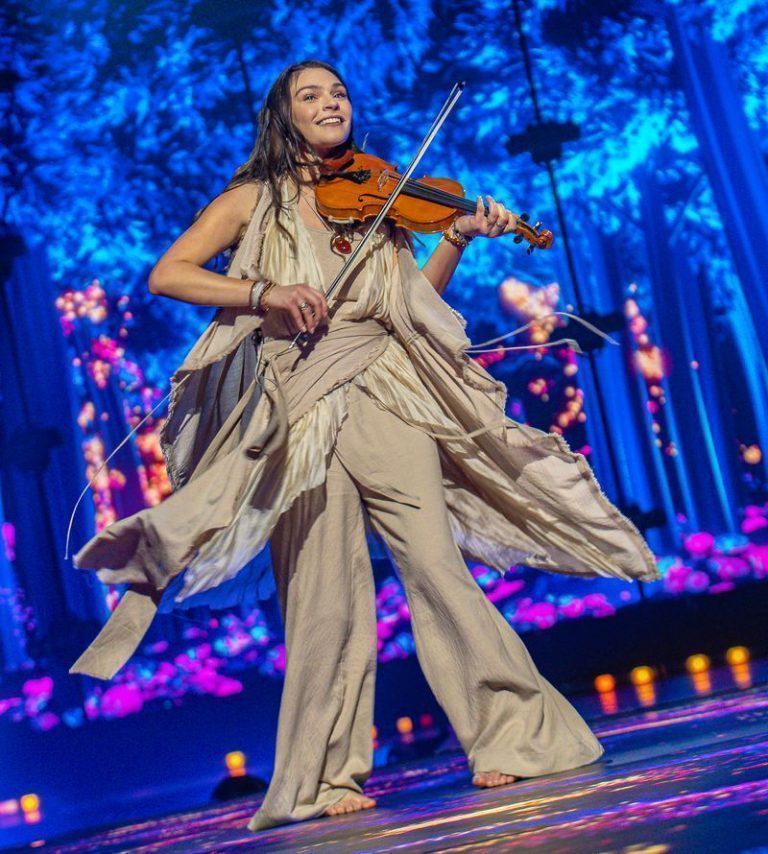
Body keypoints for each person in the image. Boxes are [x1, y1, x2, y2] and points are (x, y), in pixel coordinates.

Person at [69, 60, 660, 832]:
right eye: (311, 95)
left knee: (434, 565)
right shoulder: (253, 200)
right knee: (322, 592)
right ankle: (322, 775)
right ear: (283, 118)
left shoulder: (379, 202)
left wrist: (453, 237)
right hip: (297, 401)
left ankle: (508, 732)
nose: (331, 103)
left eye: (340, 92)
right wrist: (264, 293)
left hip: (384, 386)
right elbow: (168, 273)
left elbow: (414, 302)